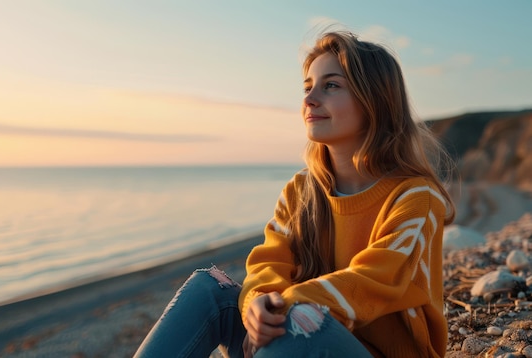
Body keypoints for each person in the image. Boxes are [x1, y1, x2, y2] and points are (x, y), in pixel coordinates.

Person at [134, 30, 456, 358]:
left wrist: (283, 306)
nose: (309, 100)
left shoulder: (415, 197)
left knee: (296, 316)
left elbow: (374, 281)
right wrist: (258, 304)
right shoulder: (300, 191)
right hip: (290, 337)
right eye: (307, 87)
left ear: (375, 100)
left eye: (330, 85)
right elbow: (269, 262)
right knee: (208, 289)